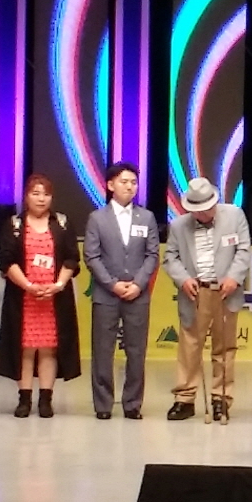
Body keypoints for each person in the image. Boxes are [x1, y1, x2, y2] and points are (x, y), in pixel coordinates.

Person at [163, 177, 252, 423]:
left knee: (224, 347)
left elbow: (243, 250)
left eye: (207, 207)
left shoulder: (234, 215)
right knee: (190, 345)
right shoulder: (178, 226)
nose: (203, 213)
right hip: (196, 291)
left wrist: (234, 277)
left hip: (225, 290)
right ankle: (184, 398)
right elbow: (170, 257)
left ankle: (220, 398)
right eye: (198, 210)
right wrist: (183, 279)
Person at [0, 174, 80, 417]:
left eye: (46, 194)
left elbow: (72, 258)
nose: (41, 199)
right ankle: (24, 399)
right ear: (26, 197)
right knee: (25, 348)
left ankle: (46, 399)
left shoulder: (62, 223)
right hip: (24, 298)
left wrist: (59, 284)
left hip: (54, 298)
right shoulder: (14, 225)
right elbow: (7, 261)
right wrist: (28, 286)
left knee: (48, 348)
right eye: (36, 194)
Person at [83, 161, 160, 419]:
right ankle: (103, 404)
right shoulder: (97, 218)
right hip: (106, 295)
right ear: (110, 185)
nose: (130, 186)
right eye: (124, 181)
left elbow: (152, 255)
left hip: (138, 294)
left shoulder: (147, 217)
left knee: (136, 352)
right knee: (103, 351)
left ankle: (132, 404)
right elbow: (91, 256)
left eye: (134, 182)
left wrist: (138, 284)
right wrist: (112, 284)